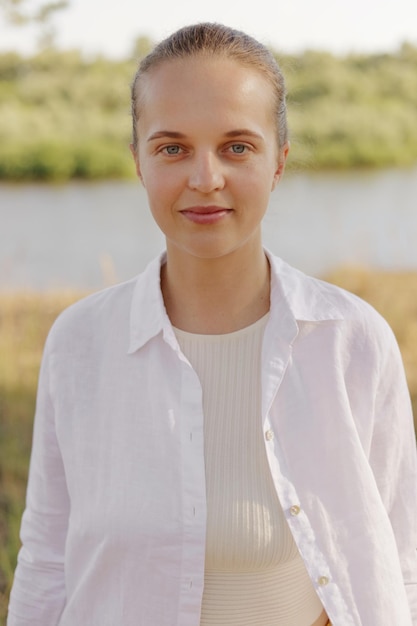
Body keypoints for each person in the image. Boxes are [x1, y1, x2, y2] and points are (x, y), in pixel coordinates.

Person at [7, 22, 417, 626]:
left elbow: (399, 562)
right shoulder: (79, 344)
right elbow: (45, 563)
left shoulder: (351, 341)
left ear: (278, 161)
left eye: (237, 146)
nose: (205, 178)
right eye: (172, 147)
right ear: (139, 163)